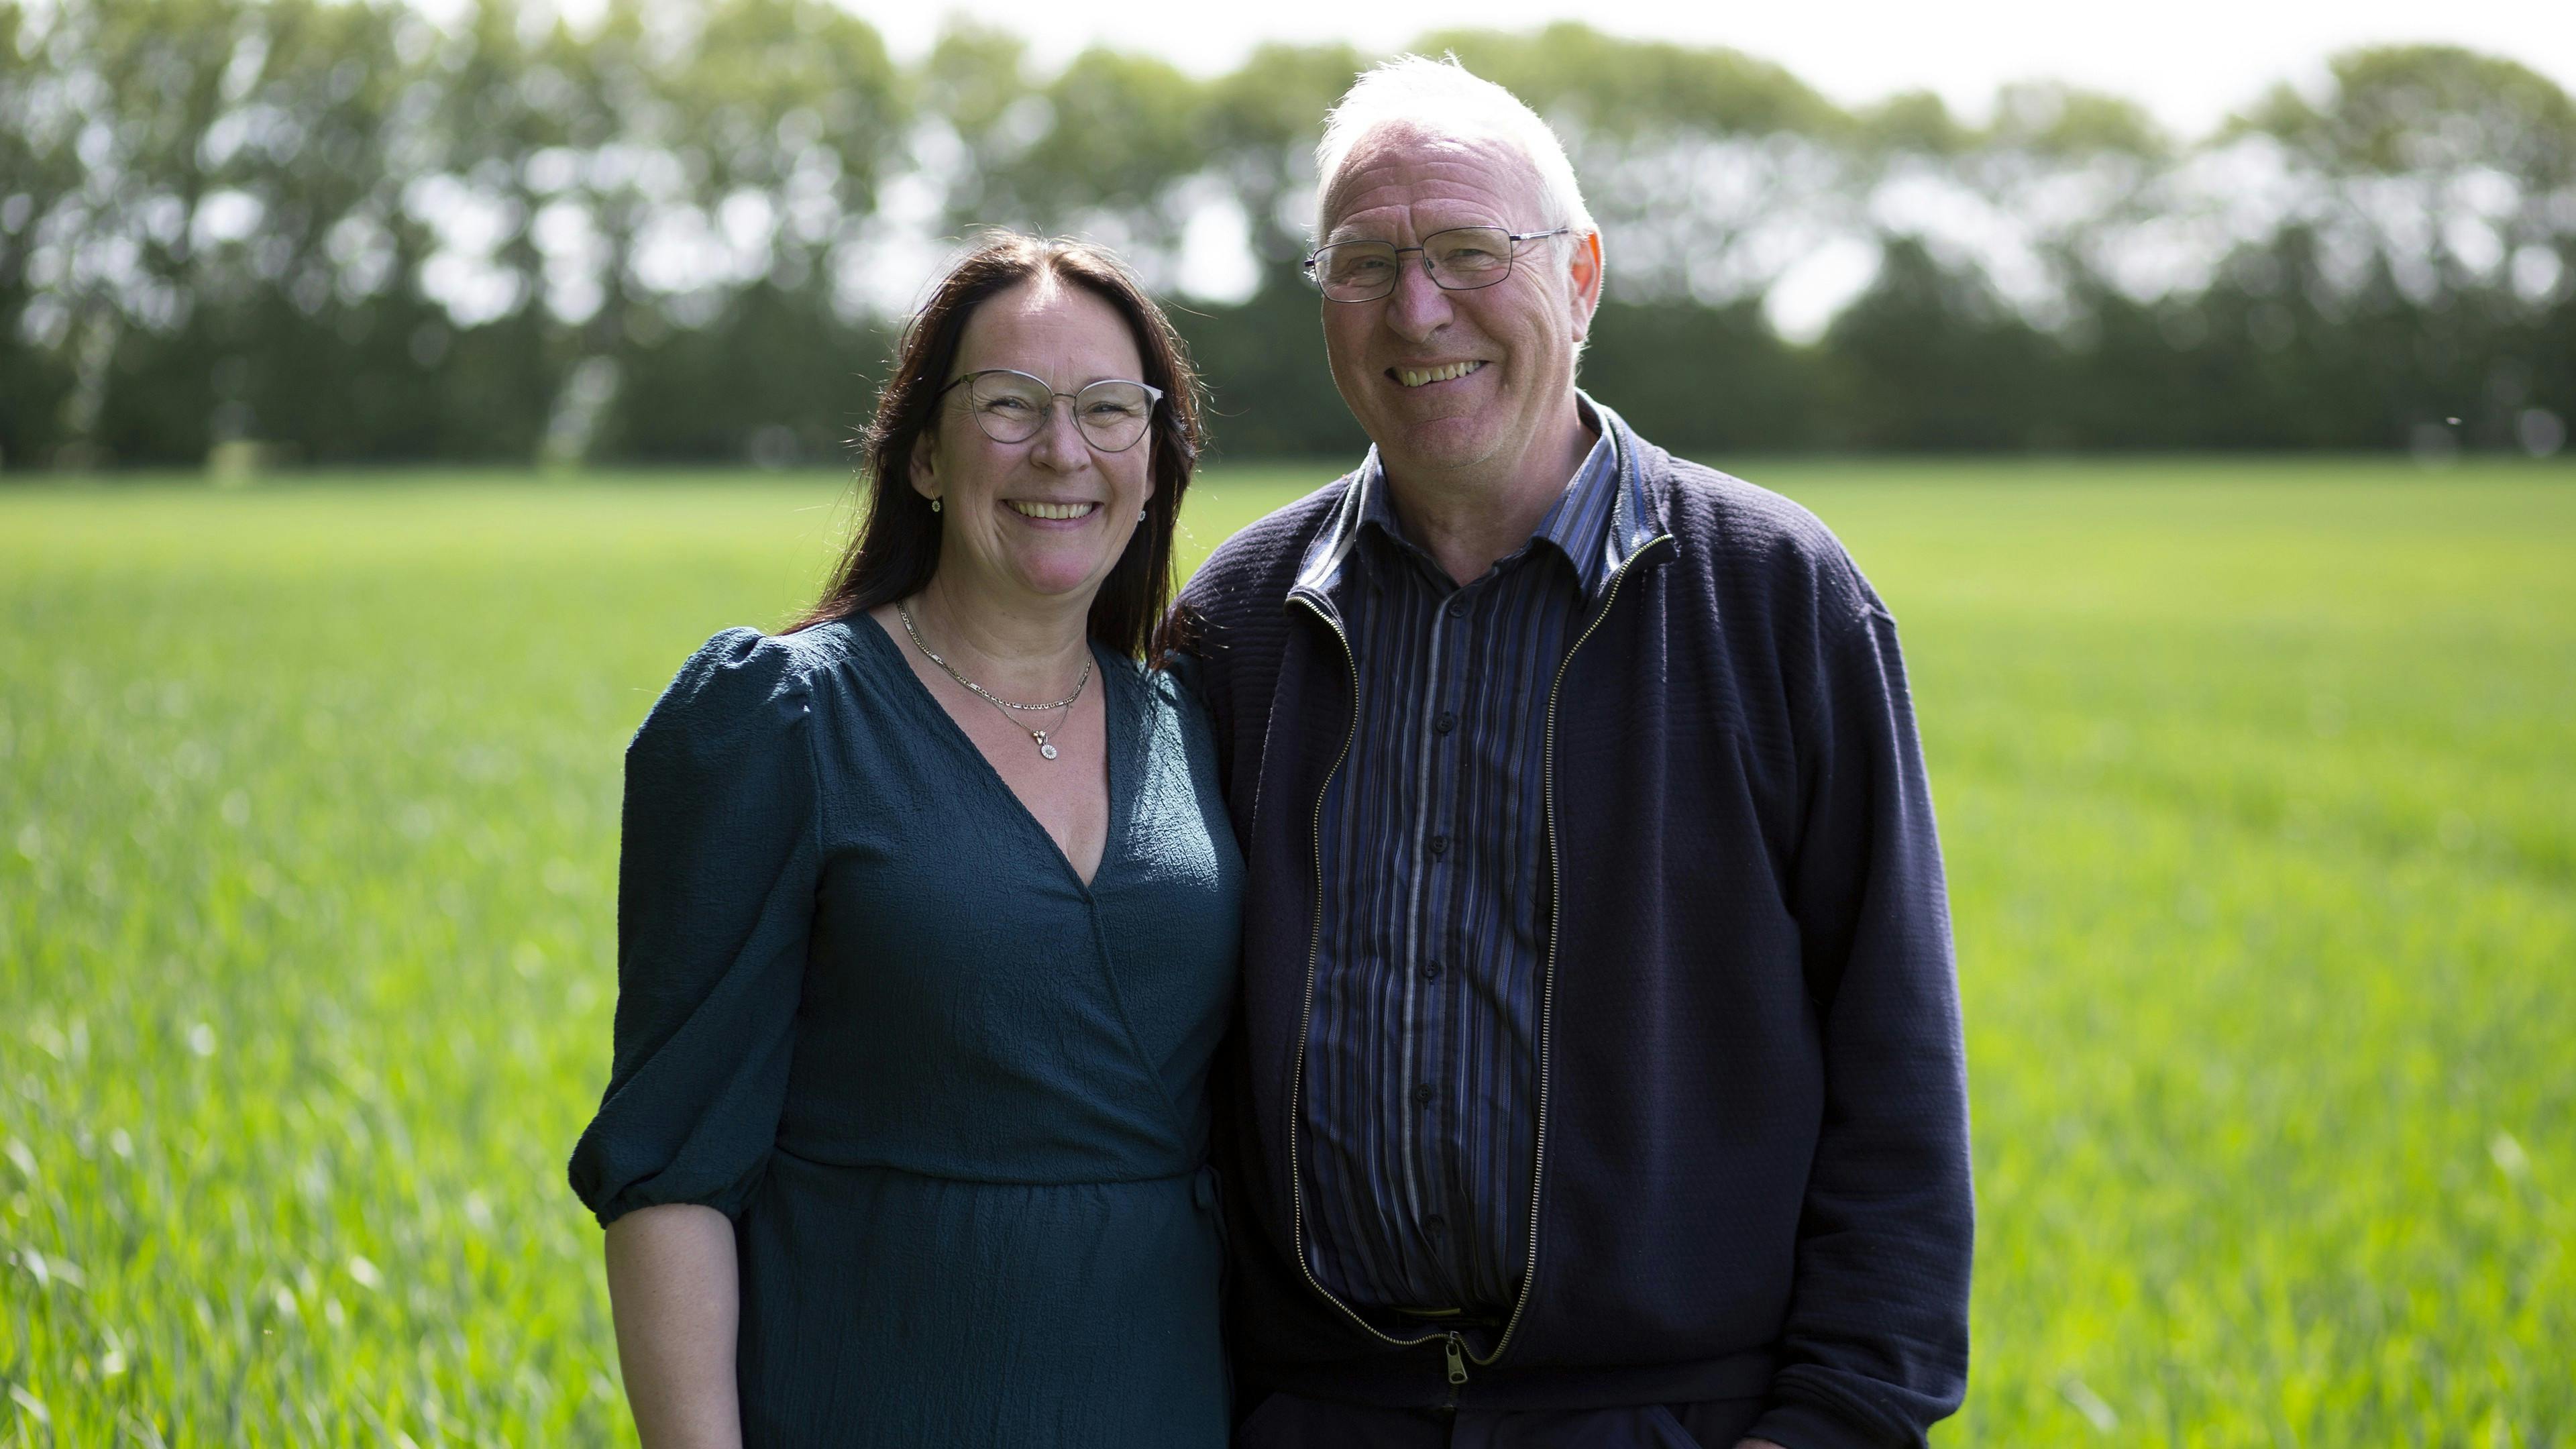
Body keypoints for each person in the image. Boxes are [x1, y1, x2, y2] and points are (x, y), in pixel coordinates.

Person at [1172, 58, 1973, 1449]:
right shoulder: (1238, 623)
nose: (1418, 308)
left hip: (1677, 1419)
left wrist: (1841, 1422)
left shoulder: (1776, 594)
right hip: (1319, 1421)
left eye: (1471, 252)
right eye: (1366, 262)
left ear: (1584, 273)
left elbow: (1894, 1055)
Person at [567, 233, 1242, 1447]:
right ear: (924, 454)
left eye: (1107, 409)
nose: (1062, 450)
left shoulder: (1200, 725)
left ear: (1155, 458)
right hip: (865, 1392)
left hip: (1165, 1401)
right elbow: (672, 1171)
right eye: (1009, 406)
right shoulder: (781, 724)